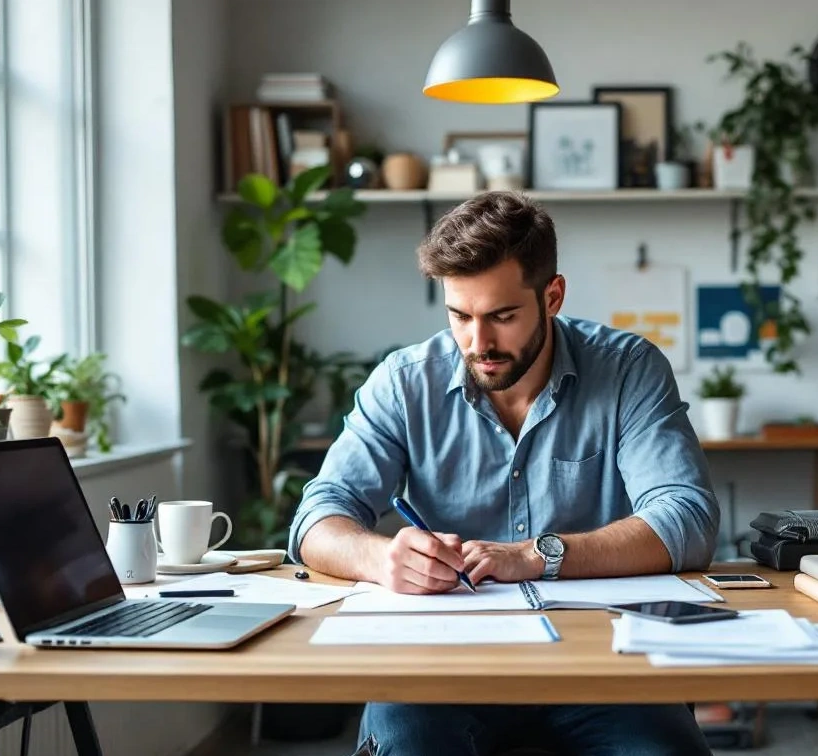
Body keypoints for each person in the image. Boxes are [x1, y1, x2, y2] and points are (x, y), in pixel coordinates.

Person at [288, 191, 720, 756]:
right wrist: (380, 557)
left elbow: (686, 519)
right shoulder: (404, 381)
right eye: (459, 316)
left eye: (502, 316)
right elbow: (317, 517)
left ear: (553, 296)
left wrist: (537, 555)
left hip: (603, 665)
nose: (478, 343)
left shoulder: (627, 371)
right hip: (436, 671)